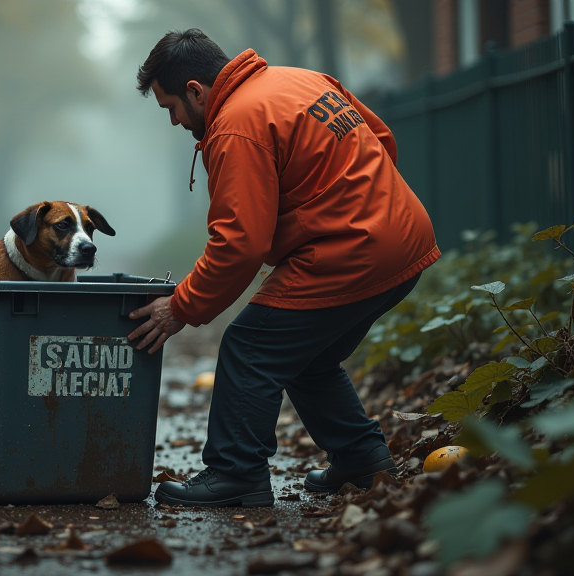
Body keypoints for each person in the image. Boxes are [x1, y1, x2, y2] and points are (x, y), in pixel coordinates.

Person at [127, 29, 439, 508]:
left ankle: (236, 475)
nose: (173, 121)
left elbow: (238, 244)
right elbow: (382, 140)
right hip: (404, 232)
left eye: (170, 107)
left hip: (352, 248)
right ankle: (360, 459)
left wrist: (181, 307)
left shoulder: (235, 123)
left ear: (195, 90)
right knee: (304, 356)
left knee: (250, 346)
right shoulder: (301, 80)